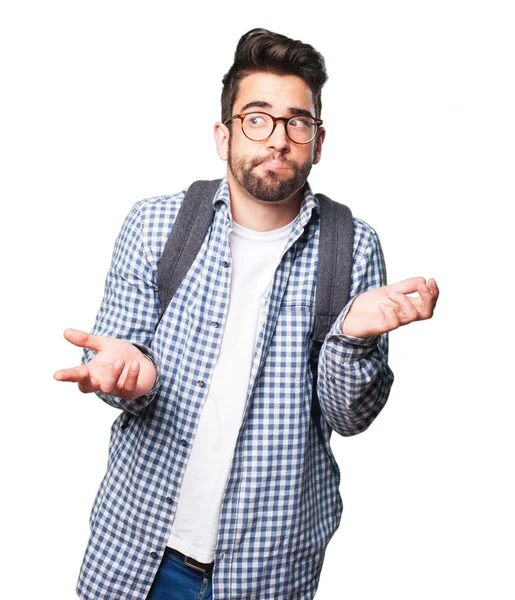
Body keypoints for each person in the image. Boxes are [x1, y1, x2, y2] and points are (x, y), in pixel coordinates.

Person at [55, 28, 439, 600]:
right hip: (135, 554)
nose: (277, 139)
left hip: (268, 569)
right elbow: (115, 366)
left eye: (297, 122)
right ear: (223, 134)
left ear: (317, 139)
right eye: (256, 118)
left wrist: (351, 340)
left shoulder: (351, 246)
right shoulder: (157, 225)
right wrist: (126, 375)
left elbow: (348, 418)